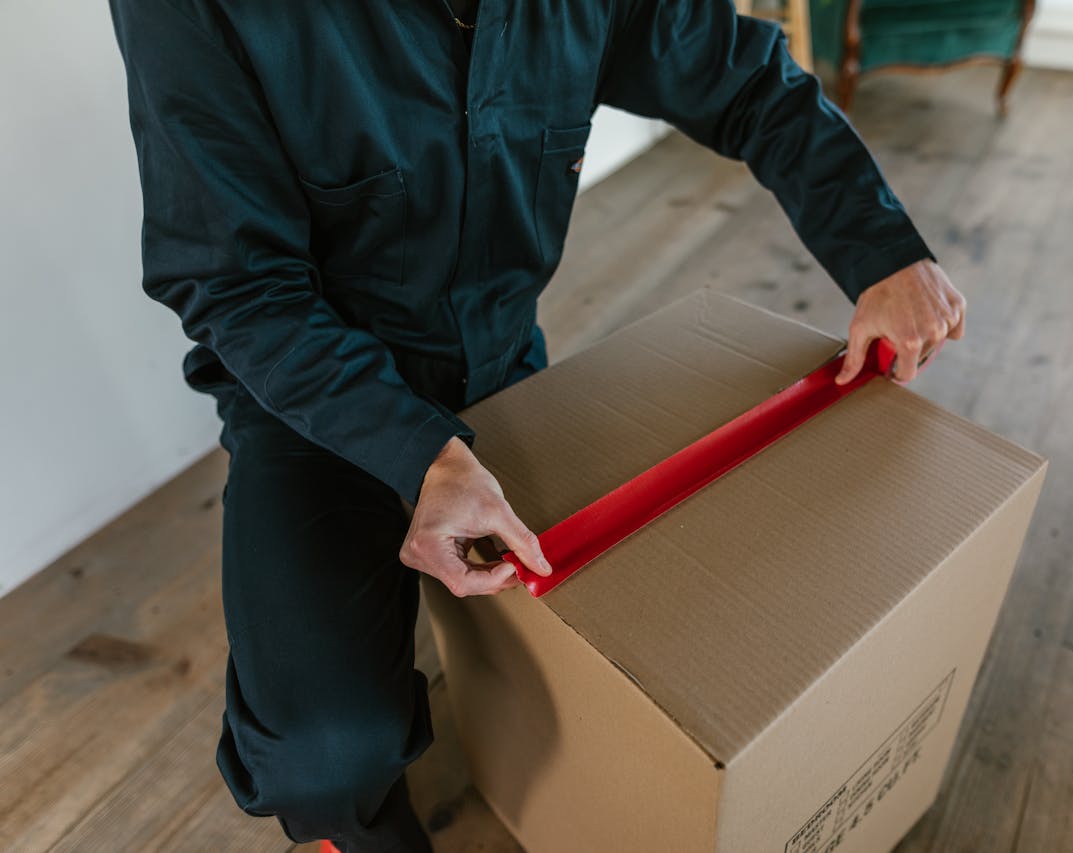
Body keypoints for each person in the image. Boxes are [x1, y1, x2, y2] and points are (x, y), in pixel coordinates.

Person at [108, 0, 966, 850]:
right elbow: (238, 285)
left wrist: (881, 245)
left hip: (500, 363)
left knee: (611, 648)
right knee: (325, 752)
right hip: (310, 401)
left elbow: (747, 80)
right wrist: (418, 454)